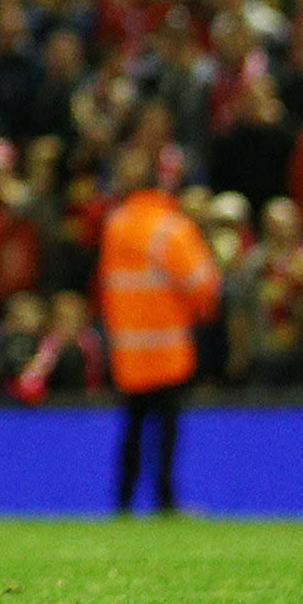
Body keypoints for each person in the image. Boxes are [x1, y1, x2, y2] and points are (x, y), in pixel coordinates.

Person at [96, 148, 220, 516]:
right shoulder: (171, 228)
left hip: (127, 349)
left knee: (132, 427)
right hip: (167, 348)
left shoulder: (116, 224)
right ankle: (165, 501)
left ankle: (123, 502)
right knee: (166, 431)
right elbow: (203, 285)